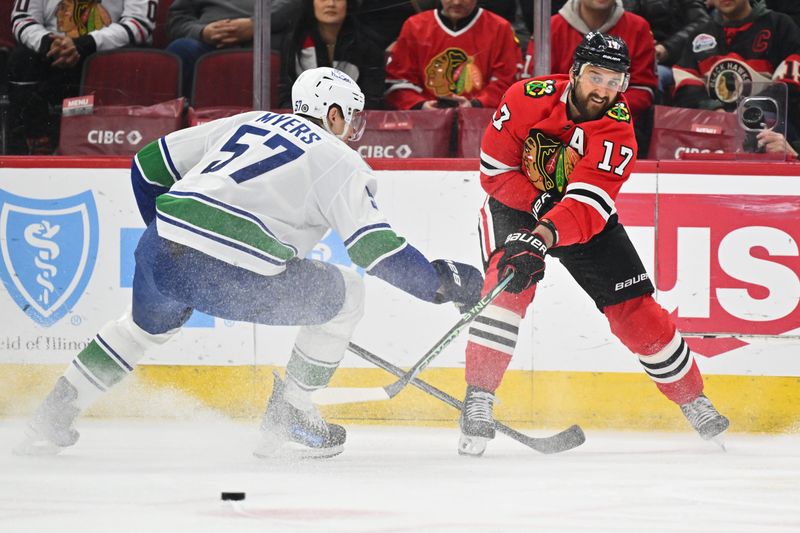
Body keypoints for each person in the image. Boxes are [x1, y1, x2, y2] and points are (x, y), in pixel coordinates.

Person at [15, 67, 483, 459]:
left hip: (160, 249)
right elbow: (373, 250)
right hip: (230, 273)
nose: (353, 130)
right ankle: (292, 413)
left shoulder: (249, 121)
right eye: (352, 117)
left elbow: (147, 167)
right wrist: (439, 284)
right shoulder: (339, 160)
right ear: (333, 113)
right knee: (348, 295)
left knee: (140, 329)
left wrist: (175, 241)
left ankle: (54, 412)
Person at [457, 32, 729, 456]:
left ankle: (693, 399)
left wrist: (543, 234)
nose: (604, 88)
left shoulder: (618, 132)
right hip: (515, 204)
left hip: (578, 219)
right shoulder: (524, 97)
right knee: (508, 287)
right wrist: (537, 206)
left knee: (635, 311)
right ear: (574, 73)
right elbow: (495, 172)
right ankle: (479, 397)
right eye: (595, 76)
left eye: (615, 80)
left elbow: (586, 206)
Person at [8, 0, 155, 154]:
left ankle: (116, 147)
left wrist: (85, 44)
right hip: (53, 52)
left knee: (129, 59)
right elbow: (23, 18)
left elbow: (139, 23)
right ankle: (36, 141)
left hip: (105, 51)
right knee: (22, 58)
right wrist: (48, 43)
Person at [520, 0, 658, 154]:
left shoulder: (638, 27)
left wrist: (601, 114)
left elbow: (643, 90)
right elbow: (535, 89)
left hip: (616, 129)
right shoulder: (550, 28)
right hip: (556, 130)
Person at [672, 0, 800, 155]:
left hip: (767, 123)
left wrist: (745, 112)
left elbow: (790, 83)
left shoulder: (780, 25)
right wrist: (713, 109)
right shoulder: (700, 34)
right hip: (711, 125)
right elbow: (686, 83)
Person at [384, 0, 521, 110]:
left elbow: (507, 82)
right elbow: (399, 81)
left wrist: (476, 104)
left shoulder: (500, 28)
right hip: (425, 125)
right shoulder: (414, 26)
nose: (456, 2)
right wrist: (420, 105)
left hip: (481, 125)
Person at [279, 0, 386, 110]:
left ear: (348, 3)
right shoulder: (295, 41)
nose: (331, 4)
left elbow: (372, 99)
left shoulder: (367, 44)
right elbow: (286, 94)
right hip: (305, 120)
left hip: (354, 120)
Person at [622, 0, 710, 100]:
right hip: (633, 57)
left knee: (654, 77)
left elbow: (702, 22)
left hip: (674, 61)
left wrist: (667, 47)